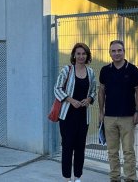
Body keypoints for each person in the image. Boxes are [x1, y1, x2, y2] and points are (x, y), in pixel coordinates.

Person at [54, 43, 97, 182]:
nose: (81, 56)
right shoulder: (67, 70)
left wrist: (89, 99)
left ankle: (77, 177)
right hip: (67, 116)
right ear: (74, 55)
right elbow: (57, 88)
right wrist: (71, 100)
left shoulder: (90, 72)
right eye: (78, 53)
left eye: (84, 54)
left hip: (83, 117)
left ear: (87, 55)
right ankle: (67, 177)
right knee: (67, 147)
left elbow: (93, 92)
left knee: (80, 148)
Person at [98, 40, 138, 182]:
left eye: (119, 50)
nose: (116, 53)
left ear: (124, 51)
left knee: (128, 151)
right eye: (113, 51)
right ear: (110, 53)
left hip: (128, 117)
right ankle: (114, 177)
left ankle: (130, 178)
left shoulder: (133, 70)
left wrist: (137, 111)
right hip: (109, 117)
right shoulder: (105, 70)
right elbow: (101, 91)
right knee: (112, 151)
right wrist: (101, 112)